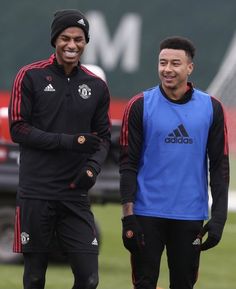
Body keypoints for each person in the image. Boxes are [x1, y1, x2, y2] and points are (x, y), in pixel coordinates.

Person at [9, 9, 111, 289]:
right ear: (55, 39)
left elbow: (103, 137)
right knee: (34, 277)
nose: (72, 45)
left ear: (86, 42)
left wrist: (92, 167)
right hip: (36, 193)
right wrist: (68, 141)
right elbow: (18, 129)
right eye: (65, 38)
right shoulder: (29, 76)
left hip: (74, 195)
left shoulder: (96, 85)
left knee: (89, 279)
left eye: (79, 39)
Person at [119, 36, 229, 289]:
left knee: (183, 284)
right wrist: (128, 217)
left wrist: (219, 218)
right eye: (162, 62)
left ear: (189, 68)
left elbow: (219, 167)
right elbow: (127, 165)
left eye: (175, 63)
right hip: (146, 215)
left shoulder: (211, 108)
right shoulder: (139, 105)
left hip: (189, 215)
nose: (167, 69)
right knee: (144, 284)